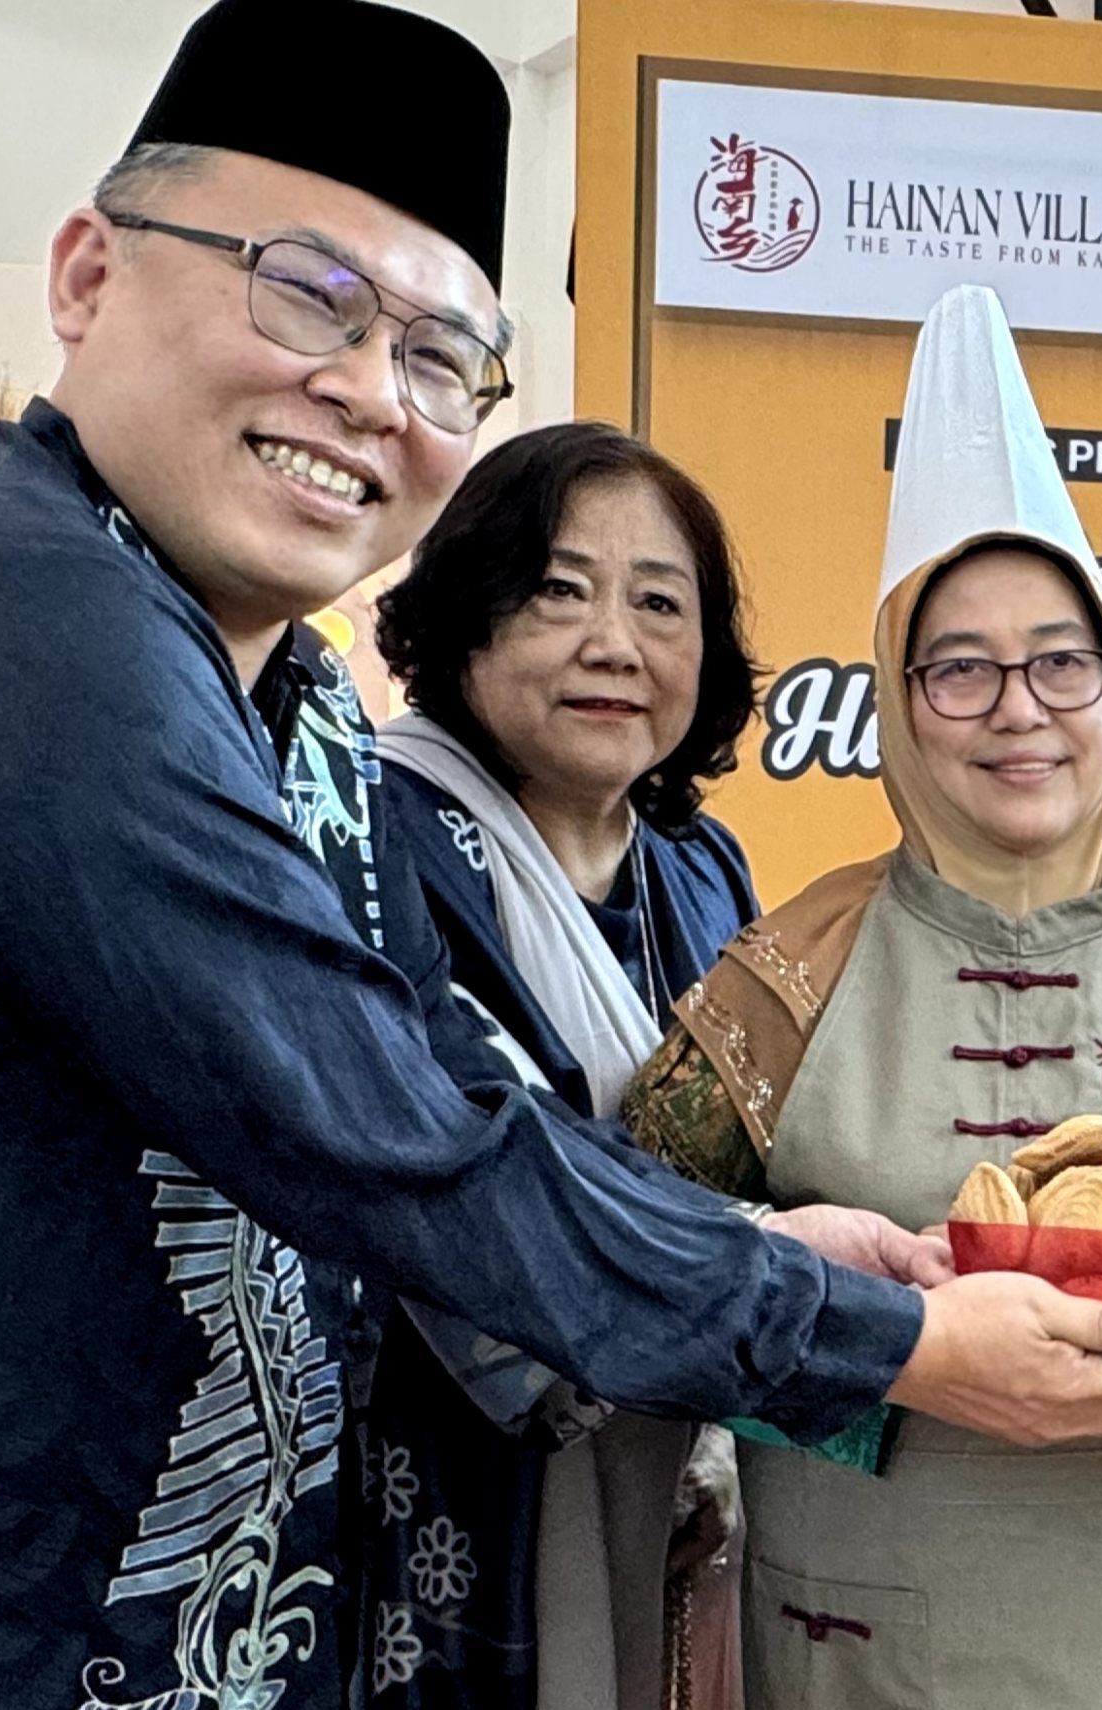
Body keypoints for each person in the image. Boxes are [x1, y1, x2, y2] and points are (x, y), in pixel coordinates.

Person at [0, 7, 1102, 1706]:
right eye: (306, 292)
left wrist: (788, 1255)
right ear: (88, 274)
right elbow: (375, 1130)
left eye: (438, 357)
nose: (362, 392)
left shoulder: (300, 709)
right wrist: (875, 1340)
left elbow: (435, 1095)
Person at [622, 283, 1102, 1710]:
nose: (1020, 708)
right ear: (896, 702)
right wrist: (861, 1359)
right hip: (867, 1641)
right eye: (959, 669)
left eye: (1061, 661)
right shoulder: (782, 981)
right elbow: (632, 1273)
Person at [359, 422, 791, 1709]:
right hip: (447, 1460)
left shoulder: (704, 874)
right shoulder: (380, 840)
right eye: (560, 590)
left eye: (661, 601)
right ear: (466, 613)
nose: (616, 642)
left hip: (683, 1449)